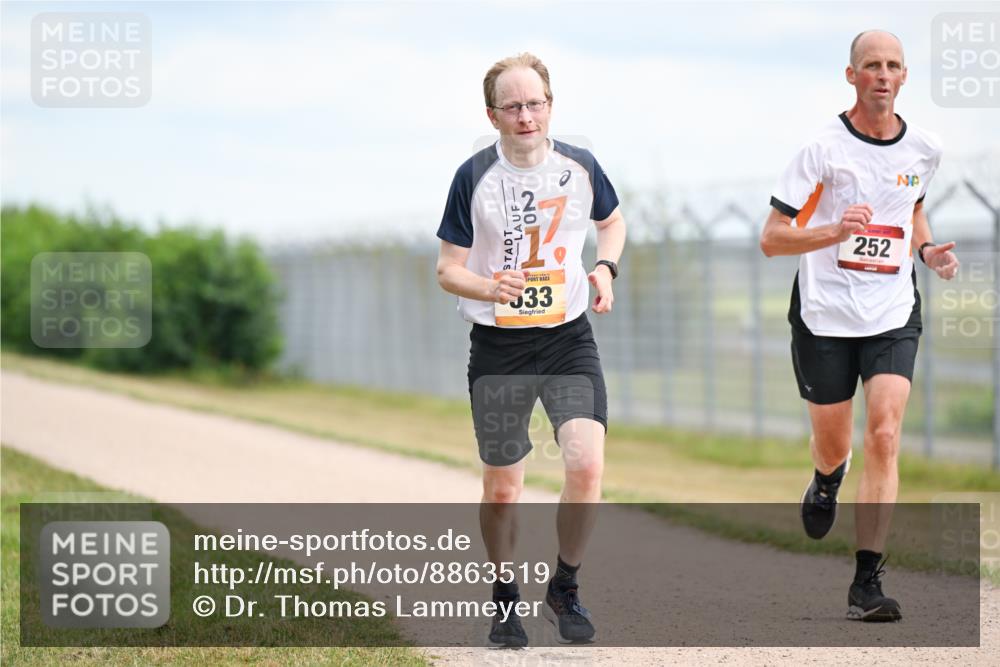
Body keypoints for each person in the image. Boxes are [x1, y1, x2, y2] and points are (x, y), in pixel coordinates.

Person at [760, 30, 959, 623]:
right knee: (835, 443)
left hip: (893, 309)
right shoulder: (820, 150)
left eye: (893, 65)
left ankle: (866, 581)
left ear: (903, 78)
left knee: (886, 434)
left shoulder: (924, 147)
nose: (882, 74)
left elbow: (912, 208)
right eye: (870, 65)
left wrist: (926, 253)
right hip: (824, 313)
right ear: (851, 76)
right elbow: (772, 238)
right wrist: (833, 231)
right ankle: (826, 478)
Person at [436, 52, 626, 646]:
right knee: (503, 486)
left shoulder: (581, 165)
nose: (526, 115)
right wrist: (490, 286)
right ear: (491, 114)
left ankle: (565, 585)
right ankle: (503, 598)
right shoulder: (474, 177)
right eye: (513, 106)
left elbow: (613, 221)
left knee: (585, 462)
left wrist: (605, 267)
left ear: (551, 105)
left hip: (568, 337)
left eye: (535, 103)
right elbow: (447, 270)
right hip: (499, 348)